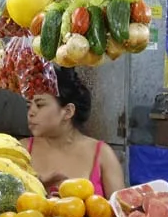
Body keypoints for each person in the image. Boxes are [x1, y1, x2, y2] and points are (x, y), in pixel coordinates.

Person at [25, 67, 126, 199]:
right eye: (29, 105)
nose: (30, 113)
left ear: (68, 111)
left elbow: (122, 211)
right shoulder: (21, 151)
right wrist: (39, 187)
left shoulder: (102, 155)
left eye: (40, 105)